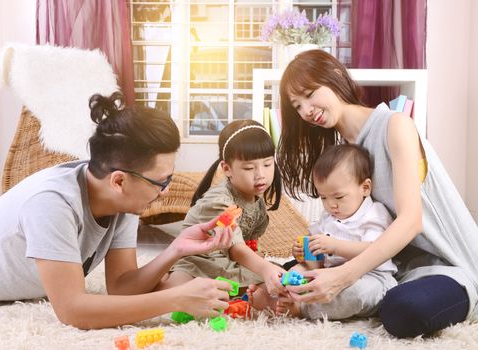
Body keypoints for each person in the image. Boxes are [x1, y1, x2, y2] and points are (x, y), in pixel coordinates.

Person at [0, 92, 235, 329]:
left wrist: (175, 249)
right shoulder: (52, 203)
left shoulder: (123, 202)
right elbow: (72, 310)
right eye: (161, 182)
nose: (166, 190)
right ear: (119, 180)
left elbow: (122, 287)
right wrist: (176, 299)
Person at [276, 49, 478, 338]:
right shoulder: (344, 150)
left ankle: (350, 299)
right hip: (393, 266)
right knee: (290, 273)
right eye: (297, 106)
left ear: (334, 76)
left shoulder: (396, 125)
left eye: (310, 94)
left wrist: (342, 277)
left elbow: (411, 222)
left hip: (449, 266)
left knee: (403, 311)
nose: (306, 110)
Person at [261, 144, 397, 319]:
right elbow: (316, 260)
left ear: (365, 188)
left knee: (355, 294)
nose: (331, 204)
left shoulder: (374, 214)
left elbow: (374, 249)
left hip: (372, 277)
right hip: (330, 275)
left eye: (339, 197)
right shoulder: (329, 216)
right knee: (295, 271)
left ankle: (302, 309)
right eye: (324, 197)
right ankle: (279, 295)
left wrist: (334, 246)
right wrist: (305, 253)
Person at [156, 120, 287, 300]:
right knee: (175, 292)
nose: (261, 174)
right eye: (249, 168)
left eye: (267, 164)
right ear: (227, 169)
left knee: (277, 277)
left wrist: (265, 268)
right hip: (199, 260)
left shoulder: (256, 200)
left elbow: (249, 246)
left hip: (230, 261)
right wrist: (264, 269)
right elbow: (236, 249)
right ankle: (164, 279)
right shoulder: (219, 201)